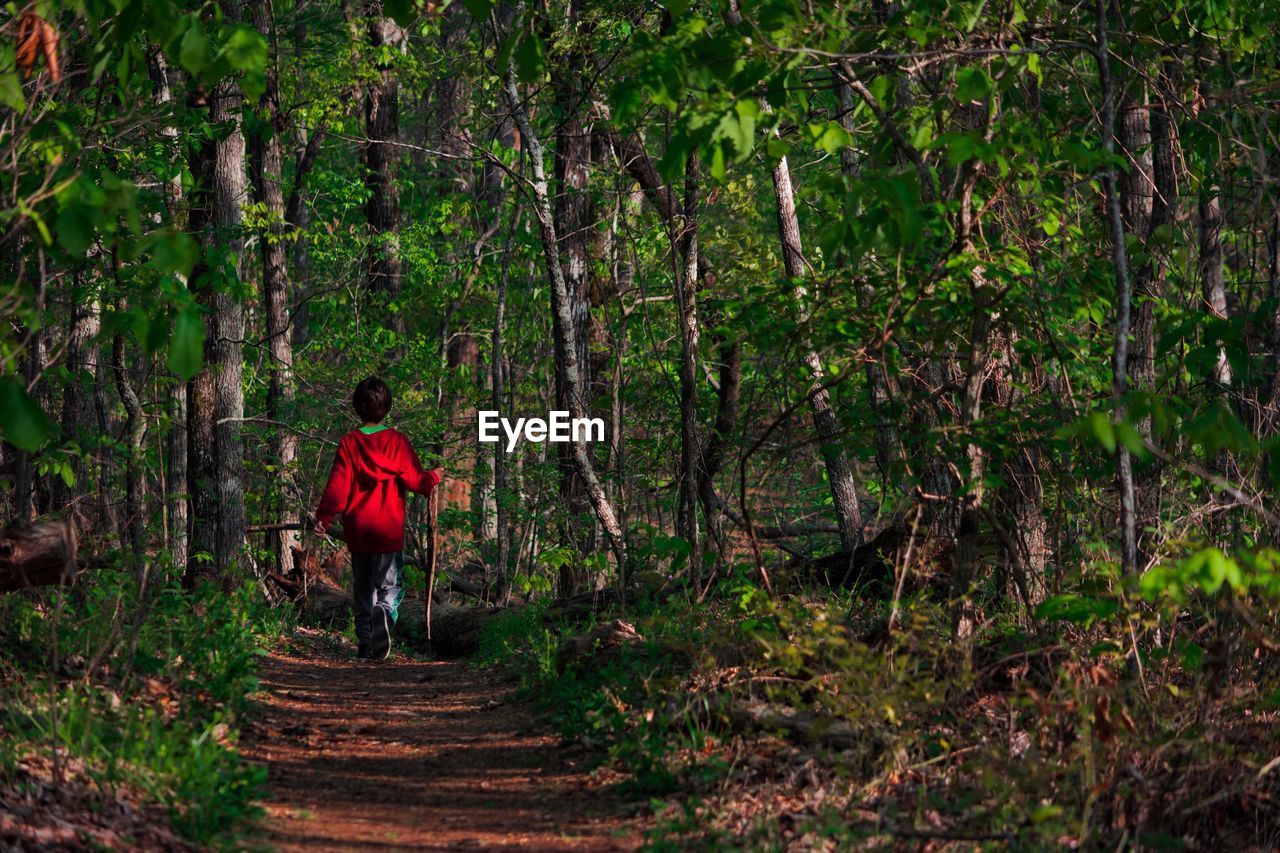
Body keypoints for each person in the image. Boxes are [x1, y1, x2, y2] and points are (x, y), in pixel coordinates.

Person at [314, 377, 442, 660]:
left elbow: (337, 485)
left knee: (363, 589)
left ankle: (365, 644)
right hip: (387, 531)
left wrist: (324, 517)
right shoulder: (397, 442)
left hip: (359, 531)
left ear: (357, 407)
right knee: (391, 587)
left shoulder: (350, 443)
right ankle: (384, 614)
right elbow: (418, 482)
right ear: (387, 408)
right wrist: (435, 476)